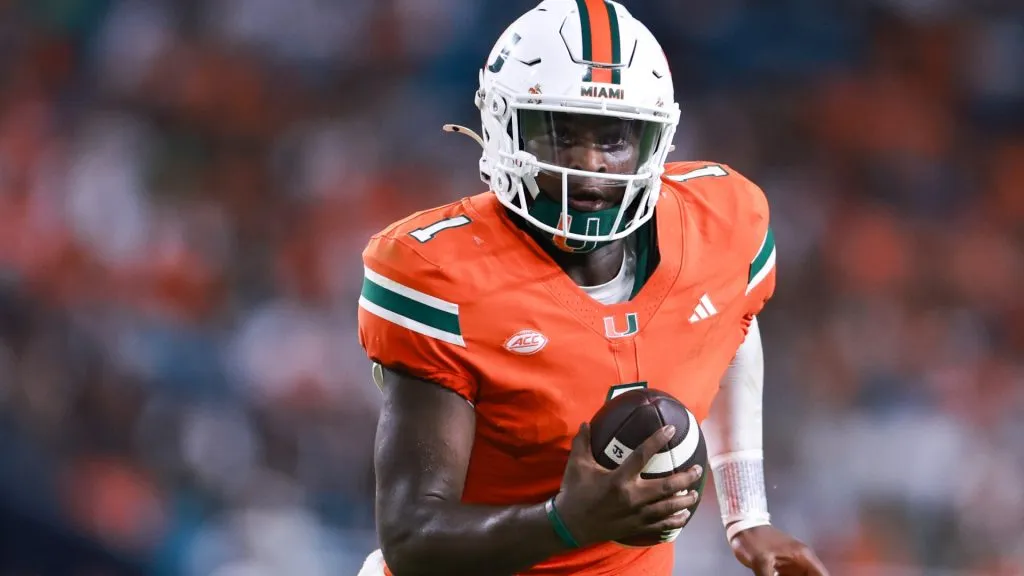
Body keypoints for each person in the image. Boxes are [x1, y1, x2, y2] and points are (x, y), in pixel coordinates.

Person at [356, 1, 830, 575]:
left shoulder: (721, 223)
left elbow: (728, 326)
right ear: (505, 126)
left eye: (613, 139)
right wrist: (566, 521)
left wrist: (746, 514)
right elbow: (413, 538)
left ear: (654, 141)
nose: (587, 164)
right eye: (559, 134)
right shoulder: (442, 272)